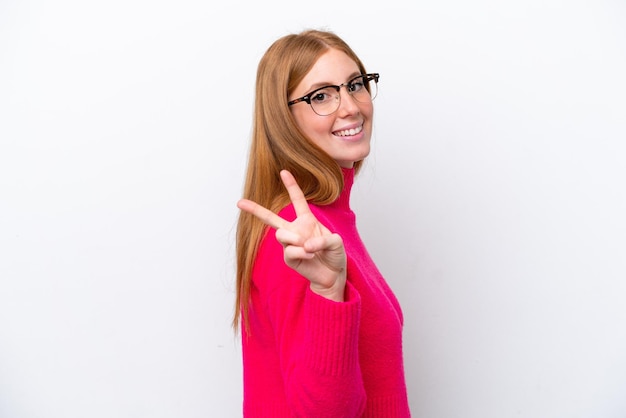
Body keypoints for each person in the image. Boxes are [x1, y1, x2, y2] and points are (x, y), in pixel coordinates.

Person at [234, 29, 411, 417]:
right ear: (285, 118)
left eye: (355, 85)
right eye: (321, 96)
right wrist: (328, 290)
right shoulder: (295, 235)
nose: (350, 106)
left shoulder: (332, 220)